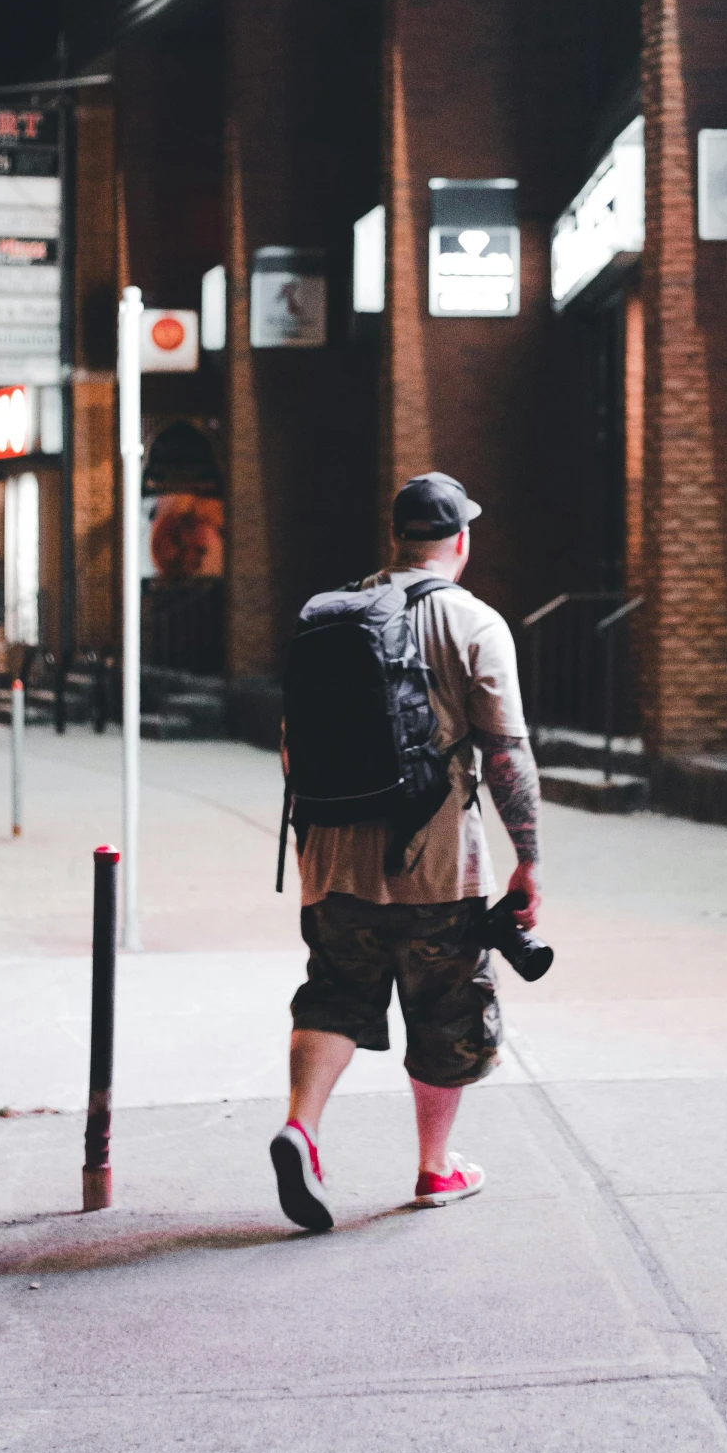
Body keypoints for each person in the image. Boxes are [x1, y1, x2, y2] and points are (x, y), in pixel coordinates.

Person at [270, 471, 543, 1232]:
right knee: (445, 1015)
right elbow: (506, 756)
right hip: (437, 868)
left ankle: (302, 1128)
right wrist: (529, 860)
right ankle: (434, 1167)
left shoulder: (331, 618)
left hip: (331, 866)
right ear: (460, 541)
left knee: (332, 995)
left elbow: (292, 750)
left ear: (396, 539)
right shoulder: (474, 622)